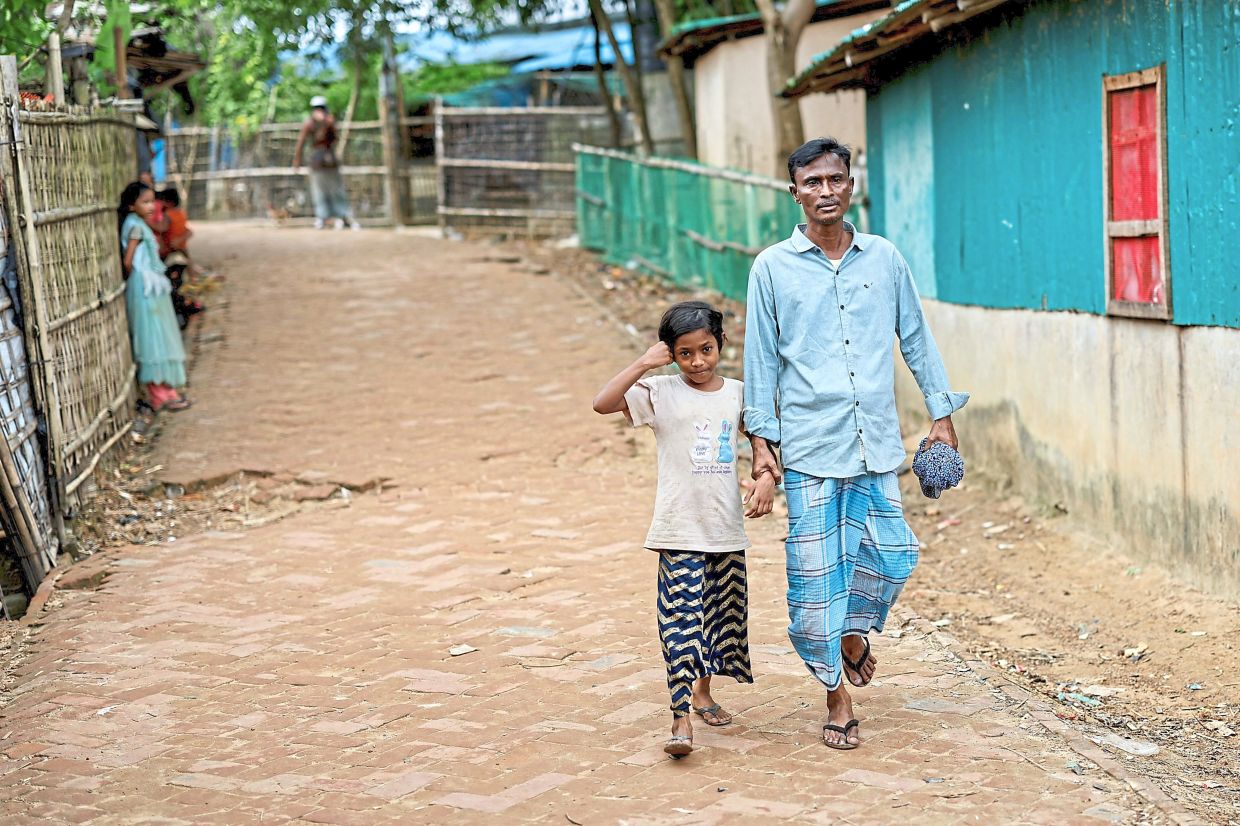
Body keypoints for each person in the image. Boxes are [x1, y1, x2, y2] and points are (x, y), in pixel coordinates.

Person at [743, 138, 969, 750]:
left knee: (891, 554)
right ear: (794, 191)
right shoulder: (771, 268)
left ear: (851, 185)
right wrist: (762, 445)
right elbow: (760, 361)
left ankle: (851, 633)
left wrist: (941, 414)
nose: (825, 191)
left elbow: (915, 339)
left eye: (835, 179)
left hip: (875, 445)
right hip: (810, 447)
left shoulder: (885, 259)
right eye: (811, 181)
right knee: (818, 577)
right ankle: (836, 696)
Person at [593, 301, 777, 758]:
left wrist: (765, 477)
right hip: (678, 529)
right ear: (670, 353)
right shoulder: (659, 391)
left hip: (723, 529)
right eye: (685, 354)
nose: (697, 362)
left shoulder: (737, 392)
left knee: (716, 622)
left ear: (721, 344)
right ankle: (680, 719)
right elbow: (603, 403)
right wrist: (643, 363)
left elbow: (763, 441)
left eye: (706, 350)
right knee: (679, 623)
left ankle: (703, 694)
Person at [118, 182, 191, 412]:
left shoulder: (139, 224)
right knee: (151, 338)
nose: (151, 206)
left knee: (159, 336)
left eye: (152, 201)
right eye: (145, 202)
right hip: (144, 286)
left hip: (151, 285)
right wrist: (137, 277)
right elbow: (128, 262)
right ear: (132, 205)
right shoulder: (136, 227)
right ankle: (159, 395)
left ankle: (167, 390)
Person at [292, 95, 360, 230]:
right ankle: (322, 218)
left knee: (337, 190)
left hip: (330, 161)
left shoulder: (329, 121)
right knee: (319, 191)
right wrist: (297, 160)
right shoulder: (309, 123)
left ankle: (343, 216)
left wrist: (325, 124)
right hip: (317, 161)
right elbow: (301, 142)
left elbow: (335, 138)